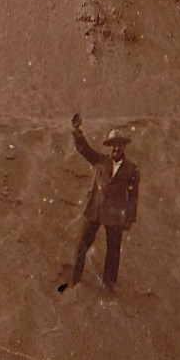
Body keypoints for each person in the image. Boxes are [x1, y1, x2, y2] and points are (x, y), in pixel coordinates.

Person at [68, 113, 140, 293]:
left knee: (113, 250)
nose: (117, 148)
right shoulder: (101, 161)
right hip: (95, 210)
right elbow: (84, 150)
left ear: (124, 147)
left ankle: (109, 283)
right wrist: (77, 131)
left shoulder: (131, 169)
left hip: (115, 215)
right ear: (110, 147)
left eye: (120, 145)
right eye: (114, 145)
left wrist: (129, 218)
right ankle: (75, 280)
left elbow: (133, 196)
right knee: (82, 245)